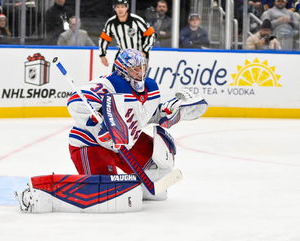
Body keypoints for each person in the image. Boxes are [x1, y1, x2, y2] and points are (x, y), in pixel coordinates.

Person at [15, 49, 208, 213]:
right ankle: (44, 191)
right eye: (135, 69)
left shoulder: (150, 87)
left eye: (143, 68)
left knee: (159, 171)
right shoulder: (108, 85)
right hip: (91, 144)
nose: (141, 73)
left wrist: (169, 112)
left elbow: (147, 115)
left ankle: (140, 185)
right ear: (123, 69)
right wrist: (100, 128)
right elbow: (76, 102)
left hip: (126, 142)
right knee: (107, 193)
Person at [99, 0, 156, 69]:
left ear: (127, 7)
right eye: (117, 7)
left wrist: (144, 51)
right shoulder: (111, 23)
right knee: (115, 78)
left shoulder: (136, 20)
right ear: (114, 8)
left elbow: (151, 35)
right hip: (122, 56)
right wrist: (102, 55)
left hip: (138, 56)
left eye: (122, 7)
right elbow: (104, 39)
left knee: (137, 78)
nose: (120, 9)